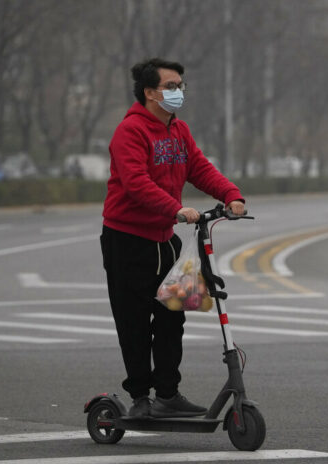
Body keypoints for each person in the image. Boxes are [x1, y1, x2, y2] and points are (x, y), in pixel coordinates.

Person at [100, 58, 245, 418]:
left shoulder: (178, 131)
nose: (178, 92)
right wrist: (176, 209)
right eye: (171, 86)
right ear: (150, 92)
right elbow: (136, 184)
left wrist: (231, 195)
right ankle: (139, 399)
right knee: (134, 323)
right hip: (128, 240)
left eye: (180, 85)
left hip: (168, 243)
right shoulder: (130, 131)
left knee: (172, 317)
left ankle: (168, 393)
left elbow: (198, 167)